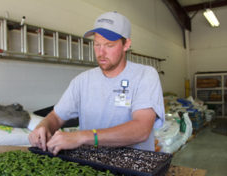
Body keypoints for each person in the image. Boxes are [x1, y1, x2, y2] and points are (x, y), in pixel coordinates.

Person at [29, 11, 164, 155]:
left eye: (109, 45)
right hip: (91, 168)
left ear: (126, 44)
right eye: (97, 44)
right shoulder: (82, 81)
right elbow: (56, 116)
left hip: (134, 168)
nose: (101, 52)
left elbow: (141, 130)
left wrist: (81, 137)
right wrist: (43, 127)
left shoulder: (144, 75)